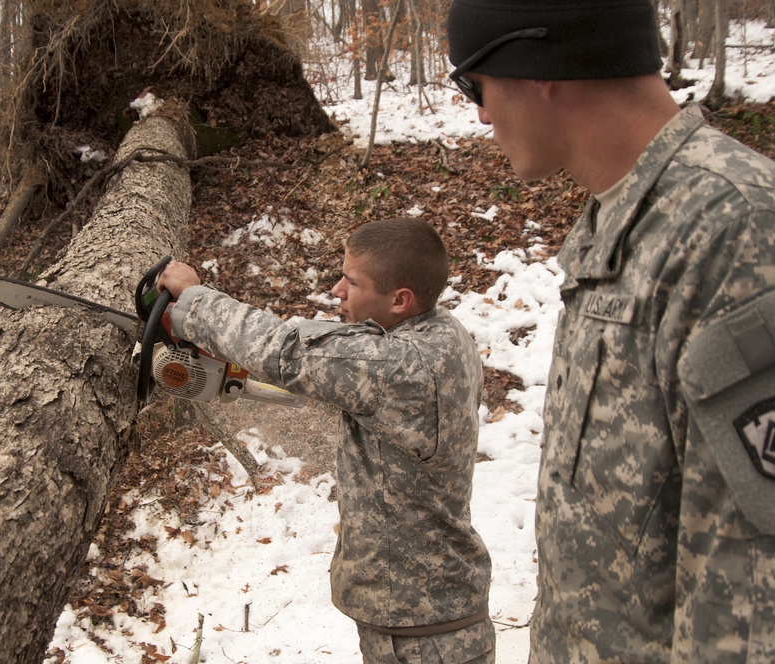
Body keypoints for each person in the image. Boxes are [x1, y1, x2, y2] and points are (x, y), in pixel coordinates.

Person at [446, 1, 775, 662]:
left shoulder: (735, 235)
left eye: (473, 86)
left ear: (539, 67)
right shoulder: (626, 221)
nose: (480, 114)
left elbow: (751, 608)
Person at [157, 217, 495, 663]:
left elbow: (287, 351)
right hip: (422, 619)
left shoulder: (403, 365)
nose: (336, 290)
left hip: (423, 636)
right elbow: (333, 351)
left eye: (351, 282)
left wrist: (194, 300)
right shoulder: (436, 331)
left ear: (401, 299)